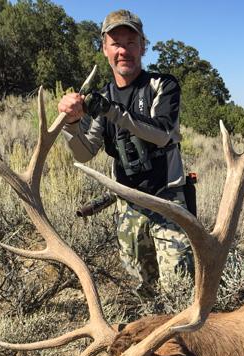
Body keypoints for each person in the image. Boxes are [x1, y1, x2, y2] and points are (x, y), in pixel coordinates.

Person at [58, 9, 193, 297]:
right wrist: (70, 124)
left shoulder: (162, 86)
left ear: (143, 46)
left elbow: (161, 134)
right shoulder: (101, 98)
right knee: (144, 291)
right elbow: (84, 153)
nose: (124, 51)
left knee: (179, 291)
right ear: (105, 48)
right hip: (128, 208)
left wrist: (111, 111)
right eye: (116, 43)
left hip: (168, 202)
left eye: (131, 43)